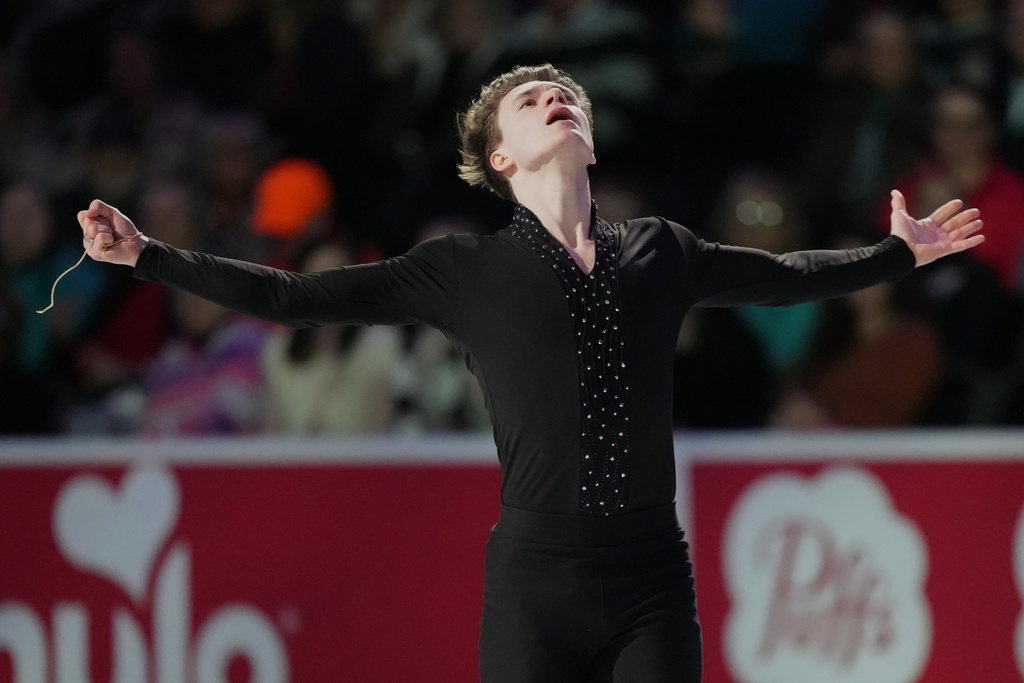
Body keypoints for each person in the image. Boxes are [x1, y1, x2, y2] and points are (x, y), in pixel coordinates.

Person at [77, 64, 984, 683]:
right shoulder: (460, 270)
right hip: (535, 579)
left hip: (650, 576)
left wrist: (895, 257)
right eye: (533, 99)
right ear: (501, 160)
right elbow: (294, 297)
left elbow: (787, 278)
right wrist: (150, 257)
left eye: (568, 93)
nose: (558, 97)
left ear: (589, 135)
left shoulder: (661, 251)